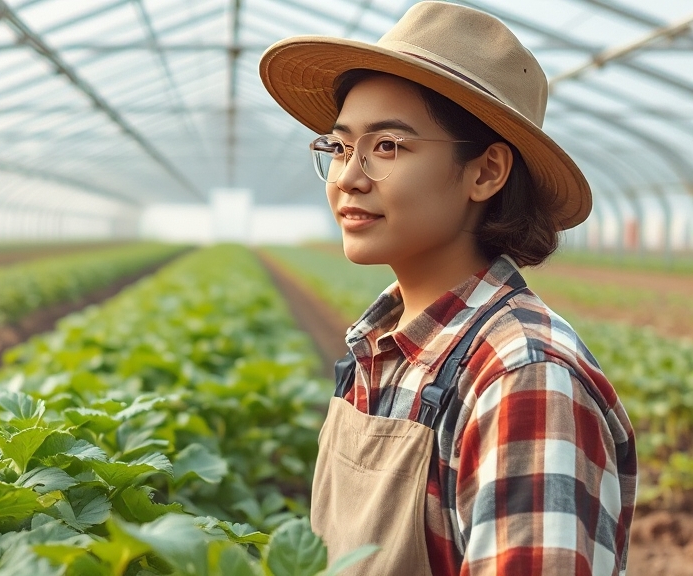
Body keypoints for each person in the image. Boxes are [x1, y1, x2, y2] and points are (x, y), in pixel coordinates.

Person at [259, 2, 636, 575]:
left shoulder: (523, 378)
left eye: (388, 146)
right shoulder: (379, 349)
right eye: (339, 147)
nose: (349, 177)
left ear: (486, 172)